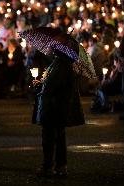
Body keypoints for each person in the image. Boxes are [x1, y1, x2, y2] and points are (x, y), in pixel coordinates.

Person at [32, 48, 85, 177]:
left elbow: (51, 88)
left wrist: (40, 85)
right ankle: (60, 166)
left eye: (53, 48)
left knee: (49, 137)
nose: (50, 49)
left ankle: (48, 166)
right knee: (59, 137)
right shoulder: (62, 64)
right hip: (59, 108)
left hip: (53, 108)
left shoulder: (61, 66)